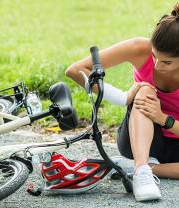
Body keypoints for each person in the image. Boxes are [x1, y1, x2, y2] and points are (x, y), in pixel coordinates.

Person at [65, 3, 179, 202]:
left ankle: (148, 169)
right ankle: (142, 170)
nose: (157, 66)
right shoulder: (139, 48)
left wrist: (163, 119)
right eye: (154, 57)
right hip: (142, 139)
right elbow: (76, 69)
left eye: (166, 62)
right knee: (144, 89)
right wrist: (123, 97)